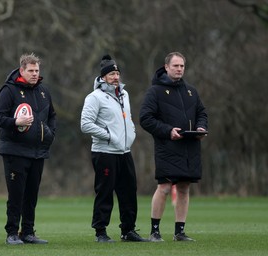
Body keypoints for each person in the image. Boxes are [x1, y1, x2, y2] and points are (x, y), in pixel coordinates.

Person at [139, 52, 208, 242]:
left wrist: (201, 127)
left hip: (190, 147)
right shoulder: (155, 91)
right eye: (175, 66)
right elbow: (145, 119)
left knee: (184, 188)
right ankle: (154, 231)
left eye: (182, 66)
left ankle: (180, 232)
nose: (179, 69)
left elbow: (202, 113)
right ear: (166, 67)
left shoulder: (191, 91)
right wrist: (168, 131)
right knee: (165, 187)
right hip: (167, 147)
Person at [80, 55, 149, 243]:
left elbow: (128, 119)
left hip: (124, 152)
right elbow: (85, 124)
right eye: (111, 74)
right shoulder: (94, 97)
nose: (116, 77)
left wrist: (131, 134)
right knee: (105, 191)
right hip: (104, 152)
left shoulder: (124, 94)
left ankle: (128, 231)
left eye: (117, 73)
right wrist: (110, 135)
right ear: (103, 77)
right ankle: (100, 232)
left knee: (129, 191)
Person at [0, 53, 56, 245]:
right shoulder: (9, 90)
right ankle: (12, 233)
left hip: (38, 152)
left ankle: (27, 232)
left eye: (37, 70)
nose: (35, 74)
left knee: (31, 195)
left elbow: (52, 115)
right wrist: (16, 122)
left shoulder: (43, 91)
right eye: (31, 70)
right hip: (15, 151)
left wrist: (50, 133)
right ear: (22, 70)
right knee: (16, 194)